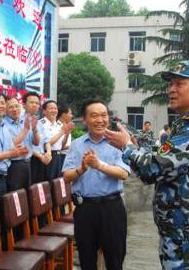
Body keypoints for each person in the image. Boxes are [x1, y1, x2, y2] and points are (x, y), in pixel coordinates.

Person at [105, 61, 189, 269]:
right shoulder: (185, 123)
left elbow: (154, 168)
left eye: (179, 84)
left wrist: (127, 147)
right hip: (179, 230)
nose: (171, 90)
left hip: (188, 235)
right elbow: (160, 163)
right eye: (170, 84)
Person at [62, 100, 130, 270]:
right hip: (85, 210)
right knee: (86, 260)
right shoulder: (77, 145)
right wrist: (82, 168)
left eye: (103, 115)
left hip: (112, 208)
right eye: (94, 116)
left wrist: (99, 165)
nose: (100, 120)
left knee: (115, 260)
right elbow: (66, 177)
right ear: (85, 120)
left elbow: (124, 173)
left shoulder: (118, 143)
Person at [4, 96, 39, 191]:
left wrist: (35, 130)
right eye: (11, 107)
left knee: (28, 196)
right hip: (14, 165)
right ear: (5, 109)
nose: (15, 109)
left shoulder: (25, 121)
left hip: (28, 163)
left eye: (17, 106)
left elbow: (36, 143)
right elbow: (9, 145)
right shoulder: (3, 124)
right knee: (15, 197)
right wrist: (25, 130)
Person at [39, 100, 74, 181]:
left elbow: (62, 146)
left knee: (58, 182)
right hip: (48, 156)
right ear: (44, 111)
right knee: (47, 183)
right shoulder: (41, 124)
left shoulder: (59, 125)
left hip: (58, 156)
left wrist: (67, 133)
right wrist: (62, 132)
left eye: (55, 108)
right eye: (51, 108)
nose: (54, 111)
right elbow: (46, 143)